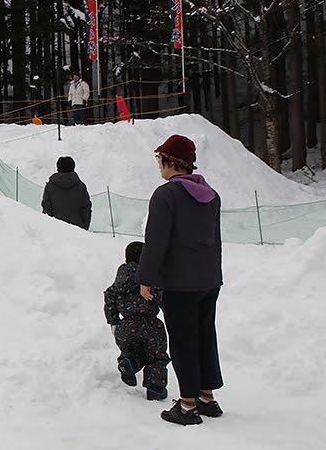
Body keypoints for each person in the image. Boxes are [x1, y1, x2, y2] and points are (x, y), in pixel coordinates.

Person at [137, 134, 224, 426]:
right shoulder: (211, 194)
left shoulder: (166, 195)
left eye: (160, 158)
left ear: (171, 161)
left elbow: (155, 241)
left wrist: (145, 277)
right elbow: (216, 241)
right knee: (204, 336)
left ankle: (187, 407)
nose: (158, 164)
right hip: (209, 280)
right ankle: (206, 397)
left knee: (184, 340)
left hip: (179, 283)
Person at [104, 241, 169, 401]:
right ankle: (155, 388)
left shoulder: (120, 280)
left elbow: (109, 297)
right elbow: (163, 297)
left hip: (125, 327)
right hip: (150, 326)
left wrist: (113, 321)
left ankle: (129, 362)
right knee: (156, 356)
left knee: (134, 351)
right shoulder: (150, 278)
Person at [41, 156, 92, 230]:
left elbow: (46, 207)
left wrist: (49, 227)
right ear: (73, 168)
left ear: (58, 168)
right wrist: (84, 228)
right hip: (78, 231)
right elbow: (86, 209)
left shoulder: (50, 186)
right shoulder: (81, 186)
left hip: (55, 229)